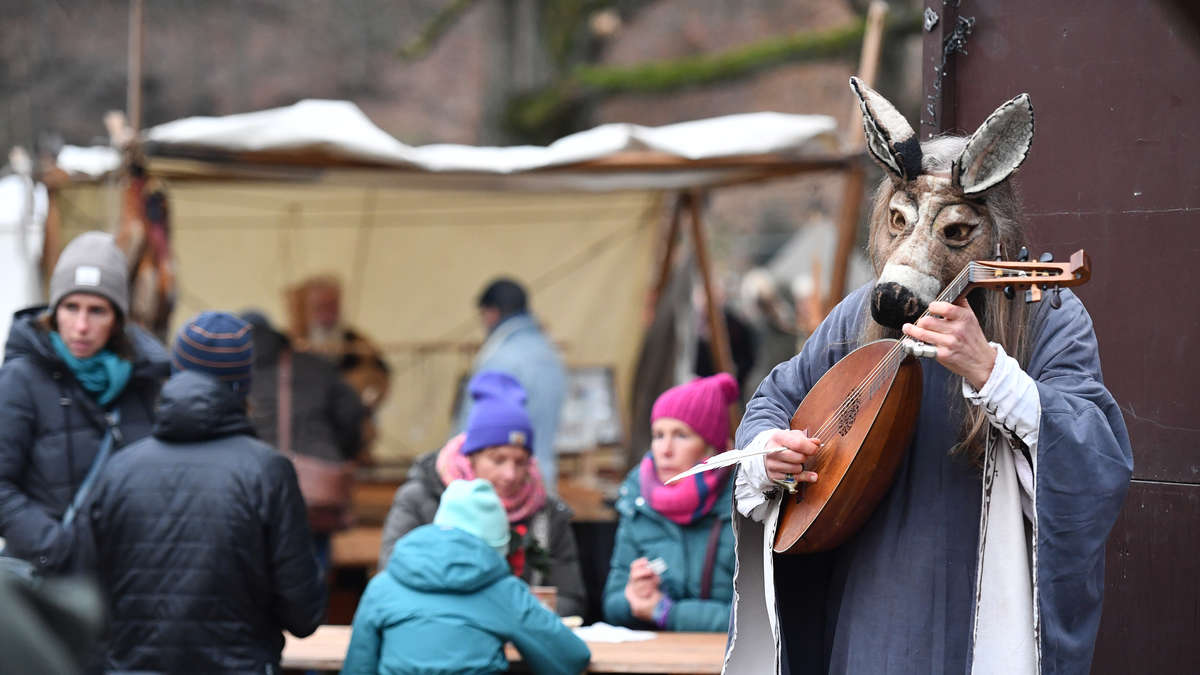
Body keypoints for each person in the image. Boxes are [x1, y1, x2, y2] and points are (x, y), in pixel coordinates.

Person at [724, 80, 1133, 674]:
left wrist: (992, 371)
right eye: (900, 222)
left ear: (995, 232)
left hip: (981, 610)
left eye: (955, 233)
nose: (915, 257)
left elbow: (1096, 461)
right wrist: (768, 452)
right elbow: (775, 400)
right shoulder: (859, 314)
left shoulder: (1048, 316)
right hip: (864, 605)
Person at [86, 312, 327, 673]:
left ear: (176, 373)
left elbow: (87, 598)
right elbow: (303, 613)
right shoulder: (267, 472)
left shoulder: (120, 469)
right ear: (242, 386)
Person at [0, 231, 168, 575]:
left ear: (117, 320)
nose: (81, 326)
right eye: (70, 307)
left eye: (97, 311)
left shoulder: (145, 382)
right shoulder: (22, 378)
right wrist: (55, 546)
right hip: (48, 585)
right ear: (54, 310)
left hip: (128, 580)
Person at [381, 371, 586, 618]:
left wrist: (516, 619)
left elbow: (569, 597)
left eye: (520, 462)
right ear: (471, 458)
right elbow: (393, 576)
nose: (510, 474)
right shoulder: (420, 499)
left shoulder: (547, 513)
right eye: (497, 460)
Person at [344, 479, 590, 675]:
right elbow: (570, 658)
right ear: (496, 549)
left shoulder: (383, 585)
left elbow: (358, 668)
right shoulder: (504, 591)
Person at [603, 373, 738, 632]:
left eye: (681, 435)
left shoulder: (743, 505)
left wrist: (668, 613)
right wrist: (634, 597)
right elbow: (612, 603)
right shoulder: (637, 502)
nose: (665, 449)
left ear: (712, 448)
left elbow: (757, 617)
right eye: (658, 435)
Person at [242, 311, 368, 564]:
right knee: (312, 561)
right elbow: (352, 413)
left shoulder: (234, 370)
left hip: (253, 481)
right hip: (313, 485)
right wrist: (342, 451)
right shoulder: (314, 365)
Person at [456, 277, 566, 494]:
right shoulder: (550, 353)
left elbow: (472, 426)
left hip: (502, 488)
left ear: (492, 313)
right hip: (542, 479)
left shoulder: (501, 358)